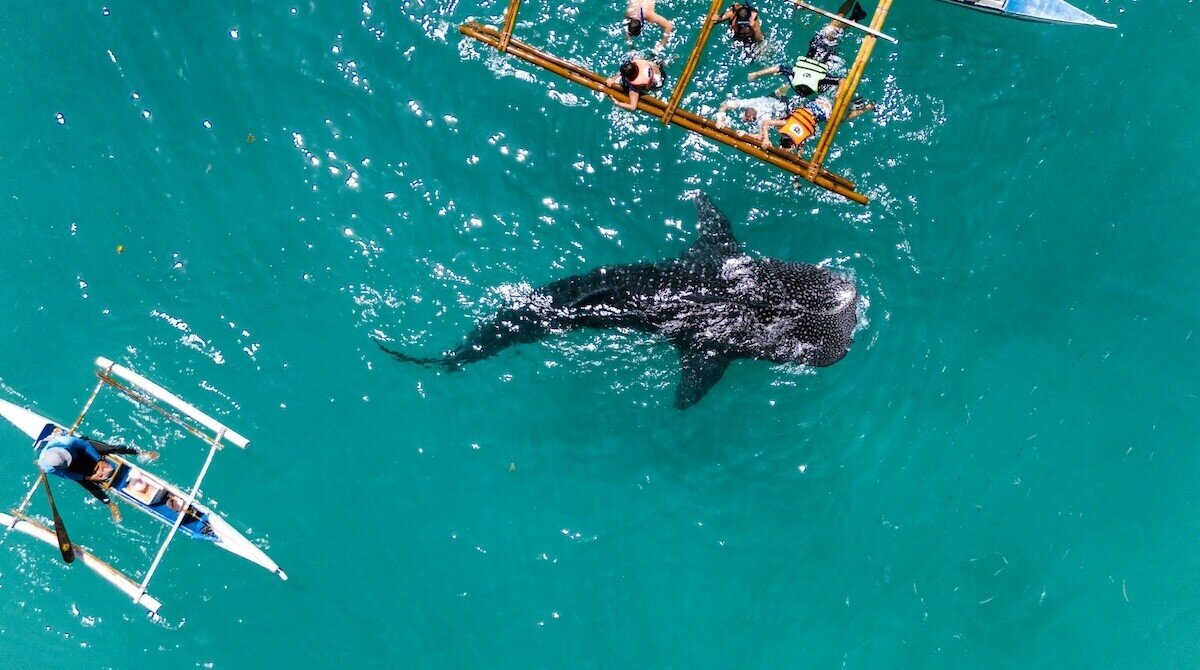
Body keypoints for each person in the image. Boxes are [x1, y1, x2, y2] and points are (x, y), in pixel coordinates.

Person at [746, 0, 867, 99]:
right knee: (835, 24)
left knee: (837, 29)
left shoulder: (798, 75)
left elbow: (778, 68)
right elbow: (842, 80)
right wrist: (838, 93)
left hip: (817, 46)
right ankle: (853, 10)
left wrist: (757, 74)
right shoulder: (820, 80)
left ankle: (855, 18)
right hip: (826, 50)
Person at [36, 429, 158, 523]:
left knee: (112, 448)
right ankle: (110, 504)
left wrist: (99, 460)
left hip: (79, 449)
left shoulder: (66, 441)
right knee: (89, 486)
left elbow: (85, 446)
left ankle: (141, 452)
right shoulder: (47, 468)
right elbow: (68, 475)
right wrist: (90, 478)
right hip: (70, 466)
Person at [757, 94, 874, 153]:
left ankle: (867, 107)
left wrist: (765, 139)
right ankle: (854, 102)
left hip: (824, 112)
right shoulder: (786, 123)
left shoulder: (797, 138)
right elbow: (766, 122)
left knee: (841, 119)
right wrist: (765, 138)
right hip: (816, 101)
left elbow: (800, 150)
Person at [715, 95, 787, 130]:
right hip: (772, 100)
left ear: (751, 118)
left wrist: (746, 133)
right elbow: (725, 105)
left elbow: (761, 135)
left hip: (782, 108)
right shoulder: (749, 103)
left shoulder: (763, 118)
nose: (743, 118)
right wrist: (719, 120)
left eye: (746, 119)